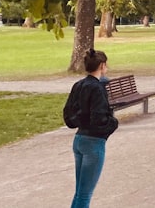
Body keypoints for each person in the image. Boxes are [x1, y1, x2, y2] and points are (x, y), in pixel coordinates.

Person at [67, 49, 119, 208]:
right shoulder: (97, 89)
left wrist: (81, 120)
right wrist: (113, 123)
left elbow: (68, 114)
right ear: (102, 66)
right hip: (93, 143)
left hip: (79, 140)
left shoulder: (79, 85)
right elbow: (99, 119)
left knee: (80, 192)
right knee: (84, 194)